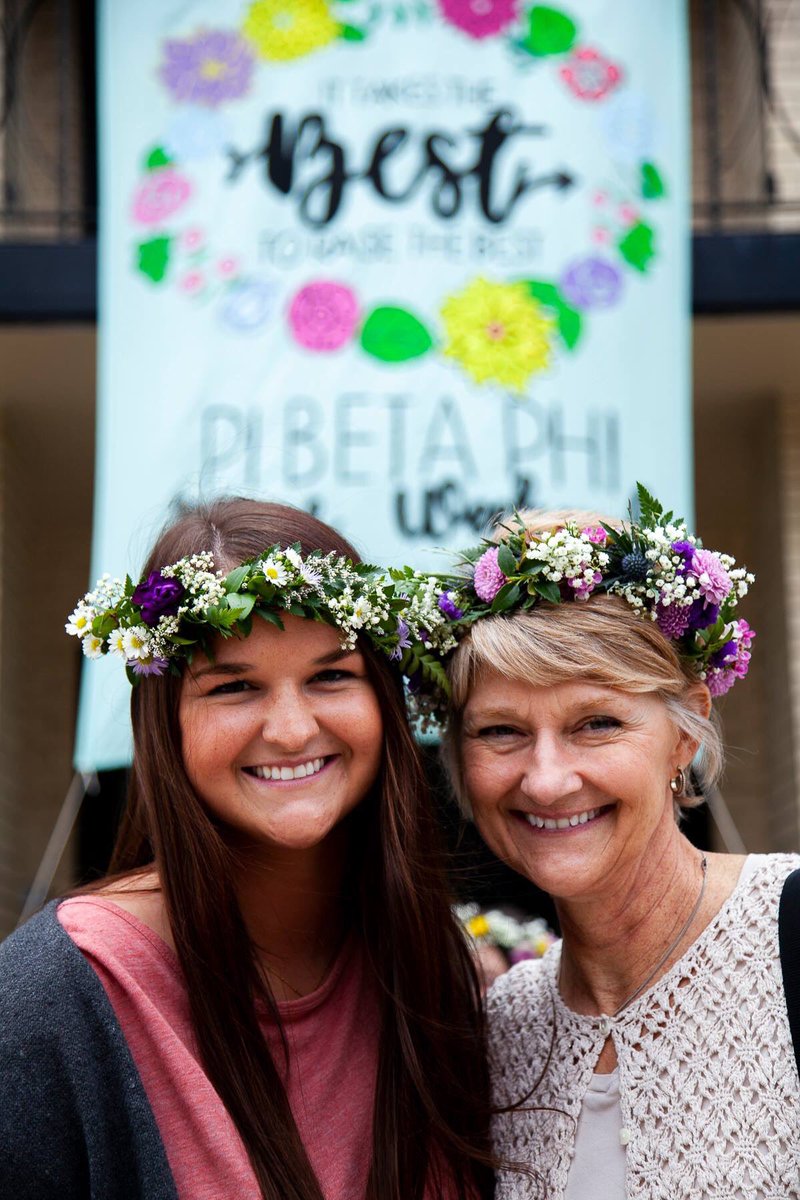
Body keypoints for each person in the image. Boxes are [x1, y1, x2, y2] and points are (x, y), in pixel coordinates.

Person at [0, 498, 494, 1200]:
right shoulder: (51, 1000)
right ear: (166, 723)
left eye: (331, 676)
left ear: (384, 701)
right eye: (235, 686)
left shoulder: (427, 966)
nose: (292, 730)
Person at [426, 486, 800, 1198]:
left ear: (685, 731)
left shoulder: (790, 931)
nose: (545, 781)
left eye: (596, 723)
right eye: (500, 731)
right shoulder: (500, 1032)